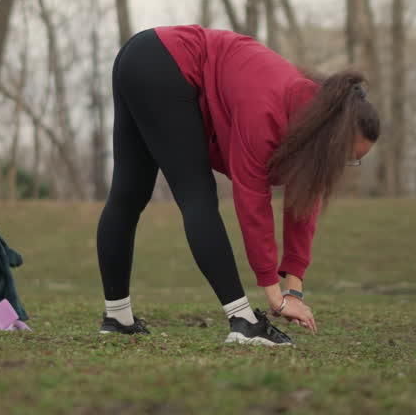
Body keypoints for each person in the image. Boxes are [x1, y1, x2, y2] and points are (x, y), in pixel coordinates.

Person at [96, 25, 381, 345]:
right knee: (195, 194)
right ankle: (243, 321)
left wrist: (294, 290)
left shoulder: (310, 117)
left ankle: (117, 318)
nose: (344, 164)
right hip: (166, 61)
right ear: (335, 134)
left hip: (142, 56)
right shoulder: (270, 105)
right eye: (346, 154)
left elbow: (304, 202)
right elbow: (252, 200)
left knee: (129, 193)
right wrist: (276, 298)